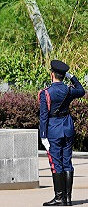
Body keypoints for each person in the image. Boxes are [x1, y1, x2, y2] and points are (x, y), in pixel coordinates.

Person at [40, 59, 85, 206]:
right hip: (67, 128)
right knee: (67, 162)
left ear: (52, 74)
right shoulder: (68, 90)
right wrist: (71, 77)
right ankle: (67, 198)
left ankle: (59, 198)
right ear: (62, 75)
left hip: (53, 130)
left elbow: (43, 116)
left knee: (56, 164)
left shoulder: (46, 93)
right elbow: (82, 91)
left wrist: (43, 135)